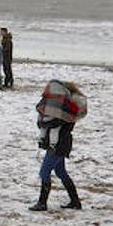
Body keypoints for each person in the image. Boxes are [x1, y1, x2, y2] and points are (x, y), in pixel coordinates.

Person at [30, 80, 87, 211]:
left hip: (58, 144)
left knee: (44, 172)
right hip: (63, 143)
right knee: (61, 172)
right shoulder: (69, 109)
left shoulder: (63, 109)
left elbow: (52, 123)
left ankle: (42, 203)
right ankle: (75, 201)